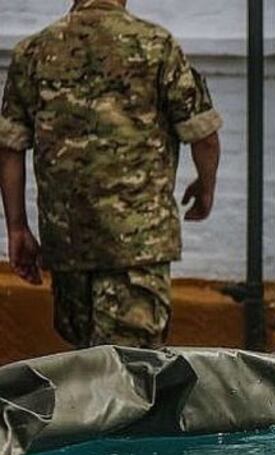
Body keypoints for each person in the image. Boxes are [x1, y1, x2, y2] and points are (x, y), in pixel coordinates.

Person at [0, 0, 222, 349]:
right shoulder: (156, 45)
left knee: (86, 361)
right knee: (131, 368)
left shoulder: (32, 52)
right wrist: (206, 188)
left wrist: (17, 227)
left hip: (67, 245)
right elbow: (204, 136)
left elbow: (9, 146)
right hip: (137, 245)